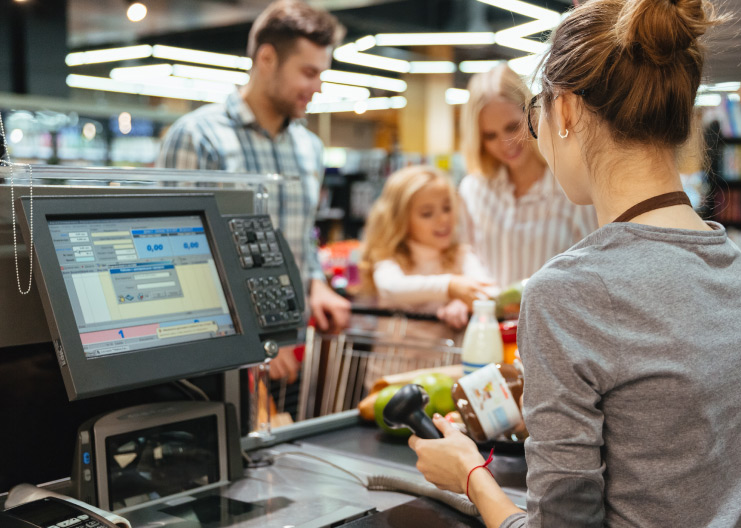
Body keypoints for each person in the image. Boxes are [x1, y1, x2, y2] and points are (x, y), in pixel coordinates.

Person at [409, 1, 741, 527]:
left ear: (566, 111)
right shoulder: (735, 266)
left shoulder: (567, 292)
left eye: (536, 112)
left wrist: (470, 474)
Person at [156, 0, 350, 382]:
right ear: (267, 58)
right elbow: (177, 252)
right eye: (308, 72)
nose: (318, 87)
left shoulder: (309, 147)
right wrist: (251, 338)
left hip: (291, 345)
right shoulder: (198, 137)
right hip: (217, 352)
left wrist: (316, 284)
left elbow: (301, 236)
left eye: (321, 74)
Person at [458, 64, 597, 289]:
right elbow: (463, 253)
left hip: (555, 321)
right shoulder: (472, 190)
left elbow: (595, 263)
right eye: (490, 135)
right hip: (490, 321)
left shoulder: (573, 186)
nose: (506, 144)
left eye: (512, 127)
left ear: (534, 113)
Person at [360, 165, 495, 330]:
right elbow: (391, 288)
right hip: (393, 355)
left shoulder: (461, 255)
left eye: (447, 208)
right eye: (427, 213)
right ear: (400, 220)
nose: (443, 219)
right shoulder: (389, 257)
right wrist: (450, 286)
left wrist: (463, 302)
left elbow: (490, 291)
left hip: (447, 355)